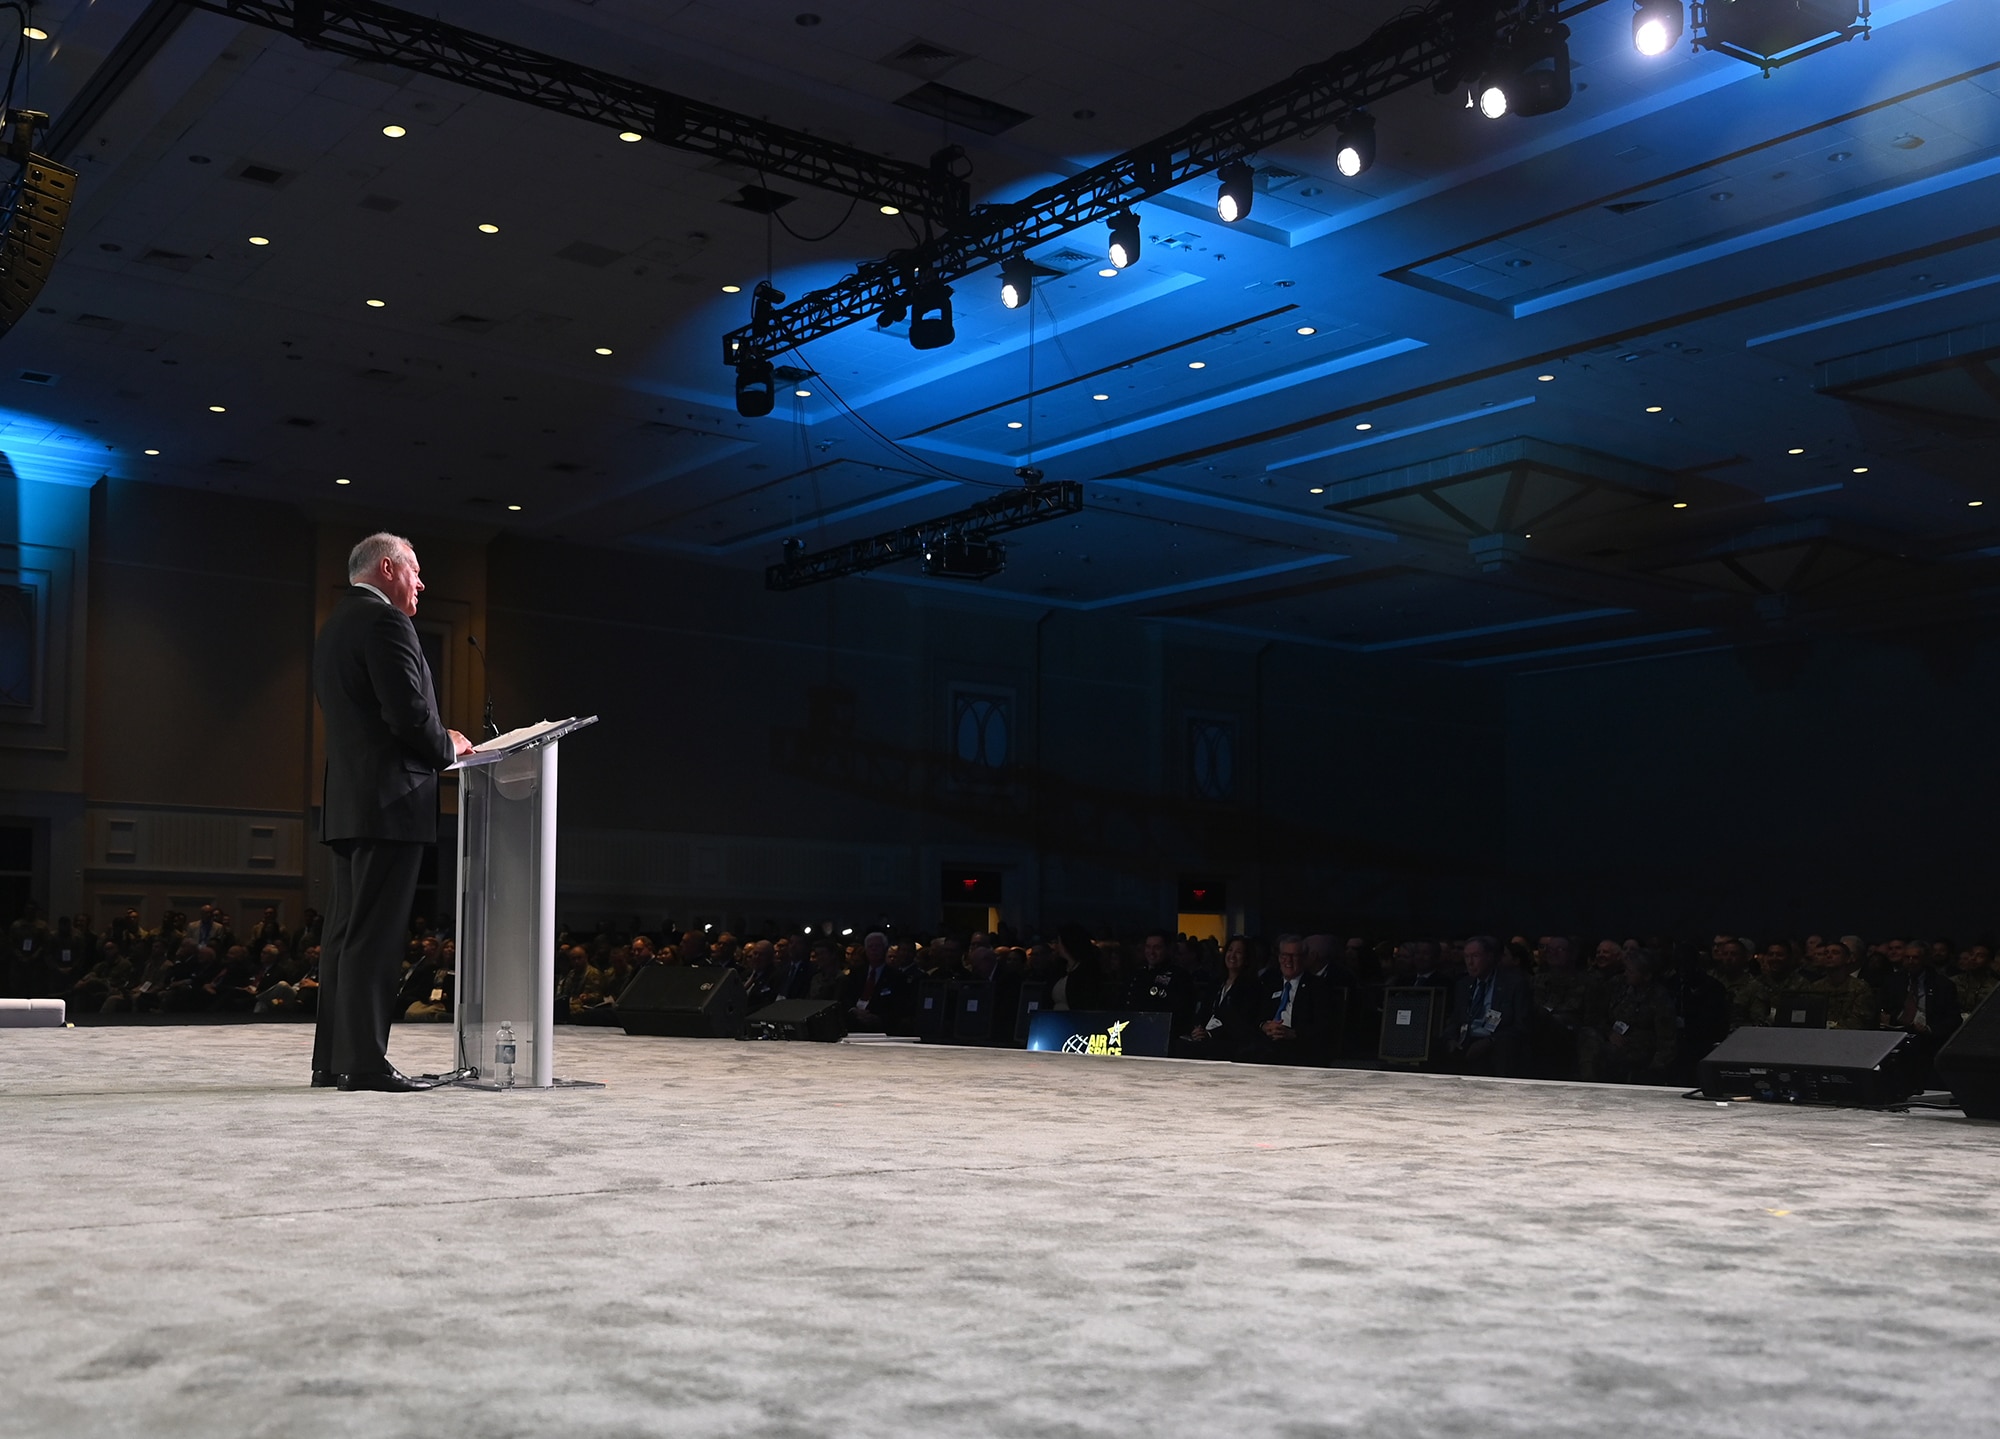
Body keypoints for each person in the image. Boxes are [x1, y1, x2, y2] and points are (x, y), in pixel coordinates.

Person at [312, 532, 474, 1091]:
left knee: (344, 936)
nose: (421, 584)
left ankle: (333, 1061)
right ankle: (364, 1063)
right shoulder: (386, 623)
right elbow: (406, 713)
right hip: (390, 802)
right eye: (416, 571)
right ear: (388, 567)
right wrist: (448, 745)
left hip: (350, 804)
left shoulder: (334, 626)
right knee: (373, 938)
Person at [1443, 935, 1533, 1076]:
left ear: (1490, 957)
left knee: (1504, 1048)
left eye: (1475, 956)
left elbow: (1521, 1025)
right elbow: (1455, 1018)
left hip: (1497, 1039)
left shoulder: (1514, 984)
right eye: (1466, 957)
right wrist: (1450, 1039)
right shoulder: (1463, 984)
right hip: (1466, 1037)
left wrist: (1491, 1040)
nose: (1470, 962)